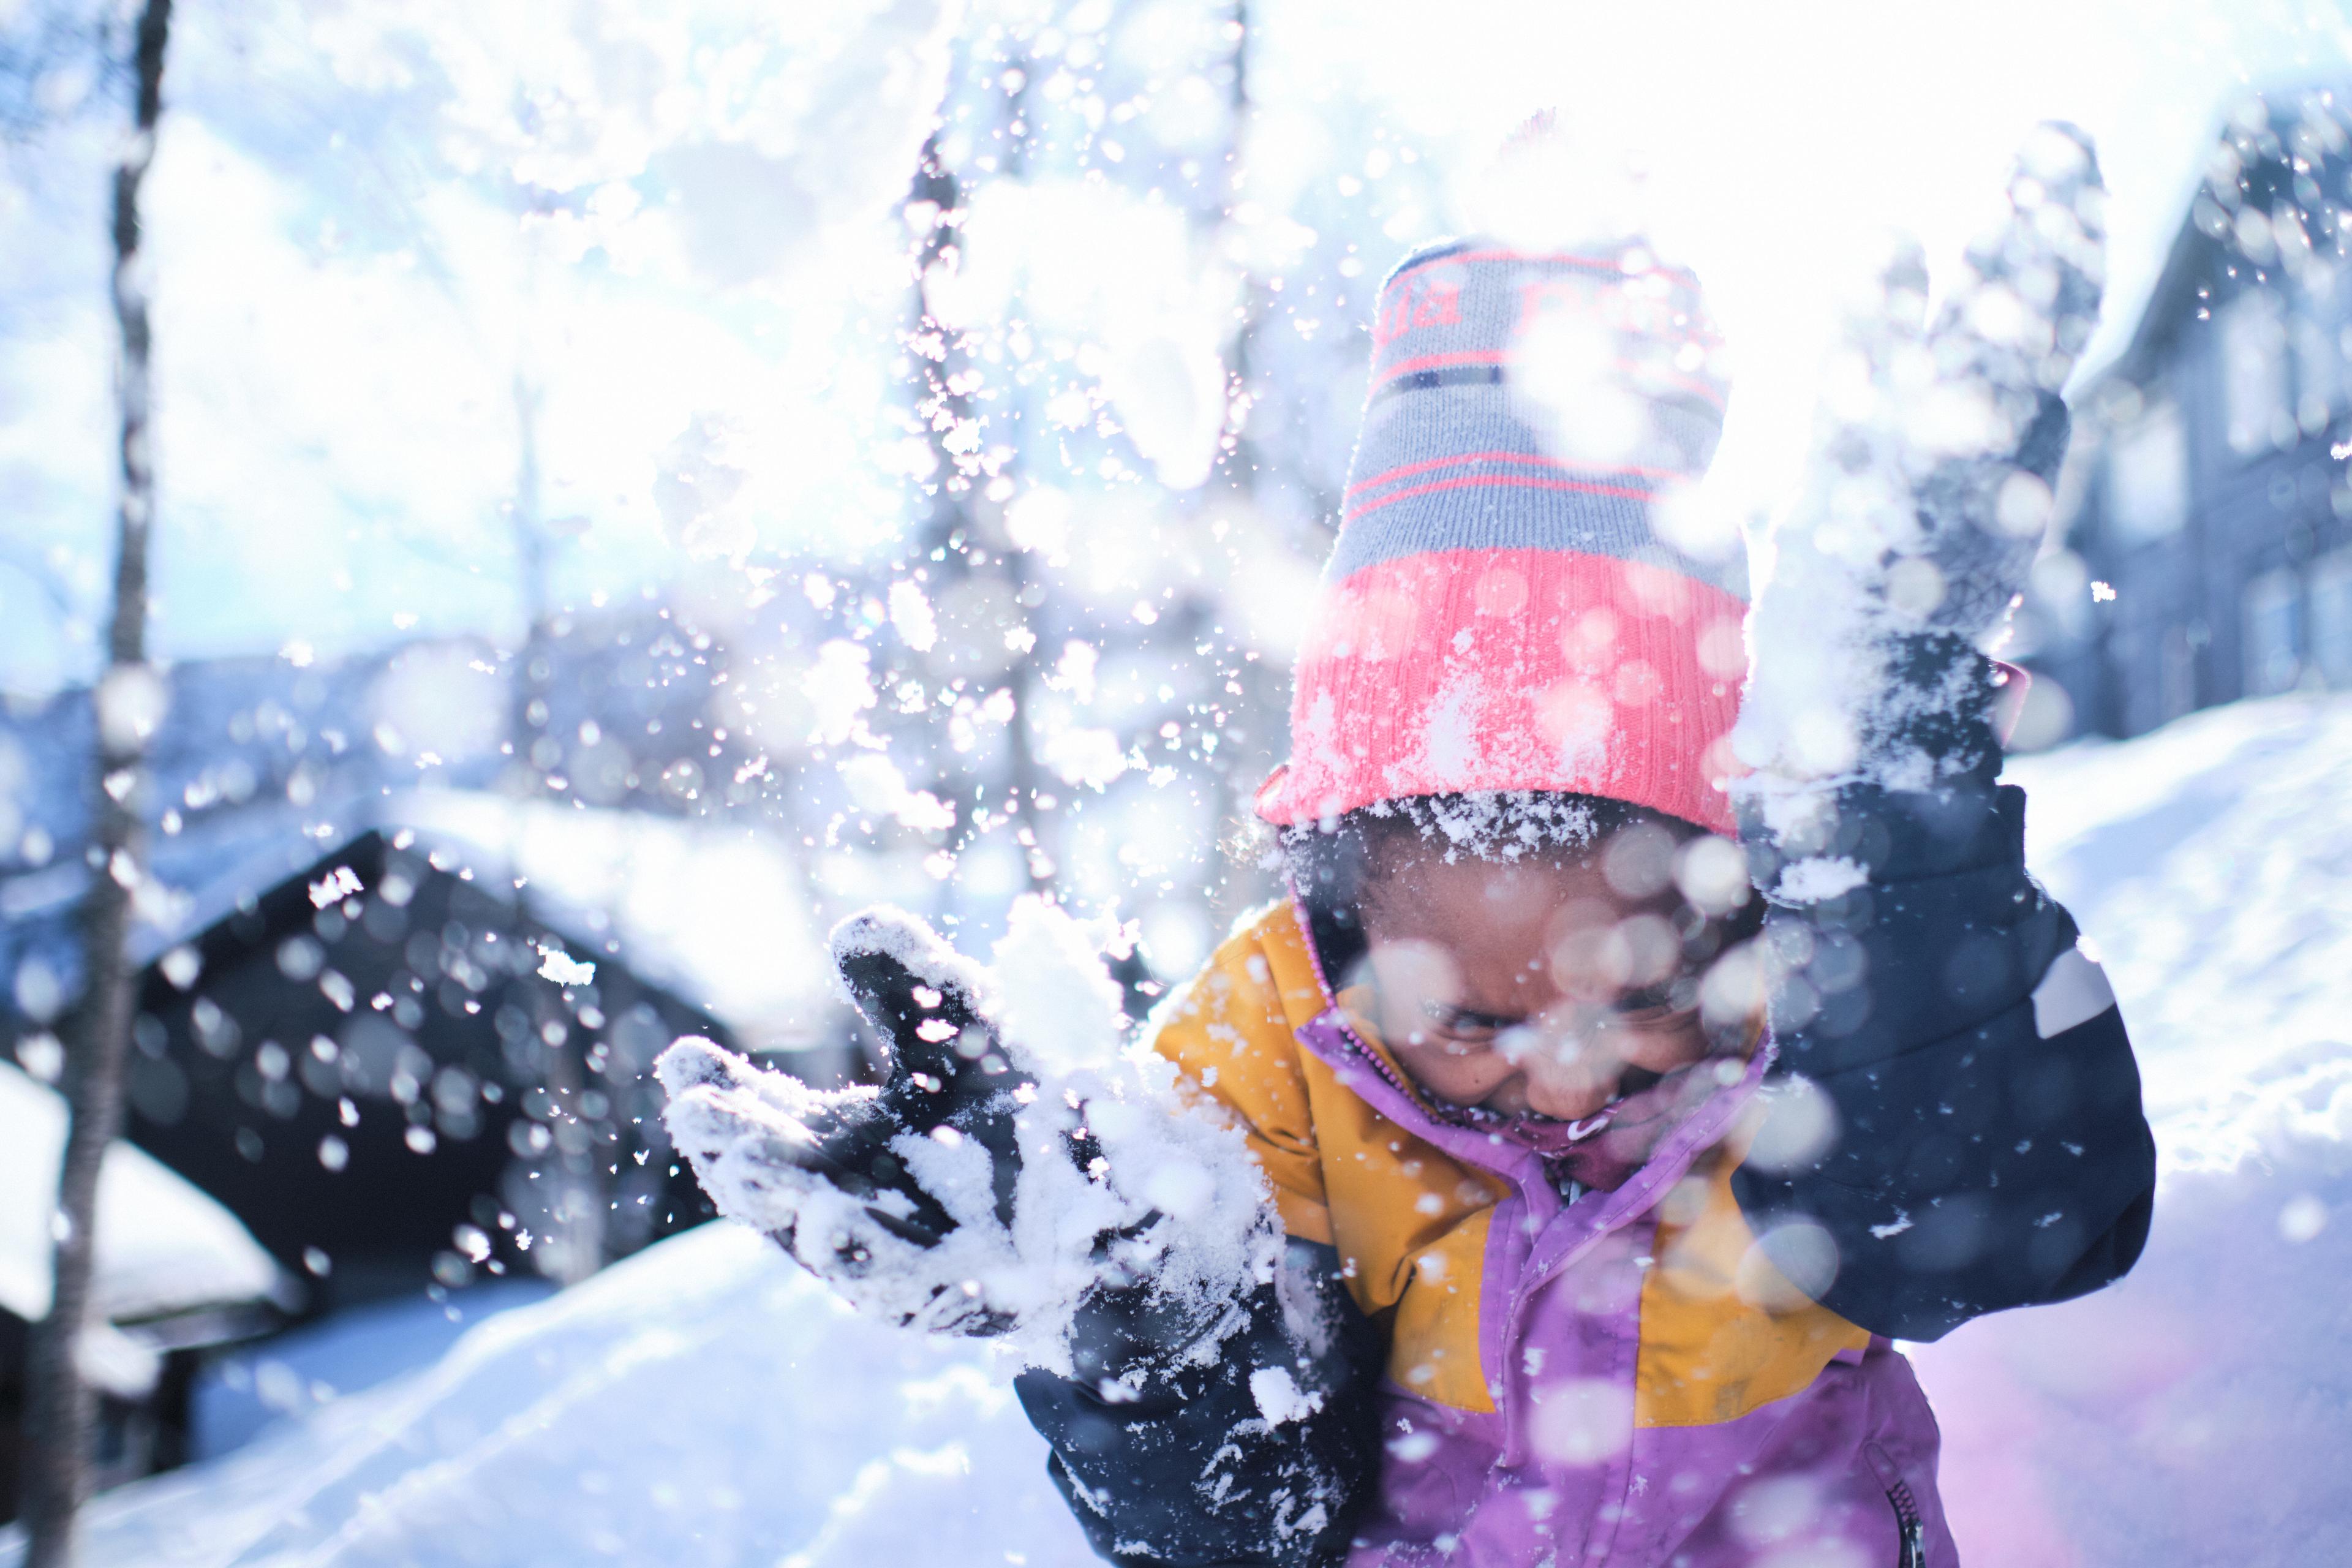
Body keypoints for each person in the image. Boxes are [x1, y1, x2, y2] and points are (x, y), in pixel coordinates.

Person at [662, 124, 2154, 1567]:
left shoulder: (1826, 978)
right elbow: (1249, 1527)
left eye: (1632, 988)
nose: (1564, 1074)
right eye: (1472, 1017)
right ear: (1342, 922)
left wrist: (1885, 828)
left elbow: (2015, 1230)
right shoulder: (1263, 1058)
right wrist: (1136, 1308)